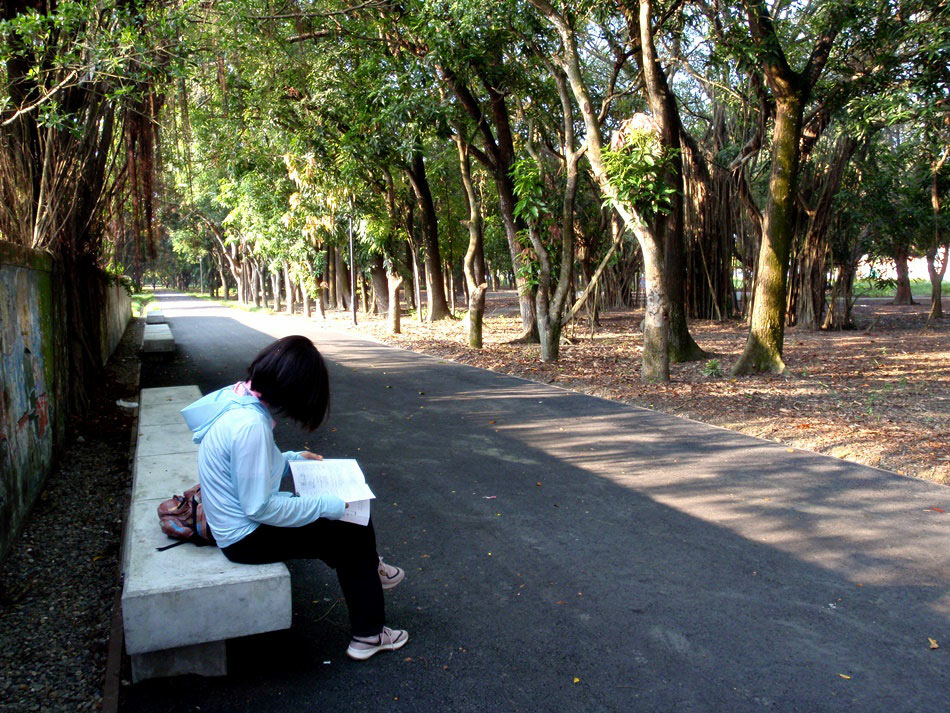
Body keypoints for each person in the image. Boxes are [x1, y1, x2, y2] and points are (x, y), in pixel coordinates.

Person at [181, 335, 408, 661]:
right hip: (244, 538)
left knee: (350, 525)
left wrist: (290, 459)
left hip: (236, 526)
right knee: (351, 524)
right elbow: (261, 507)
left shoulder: (240, 399)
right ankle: (370, 633)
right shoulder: (250, 427)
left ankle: (369, 570)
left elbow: (248, 467)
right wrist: (330, 505)